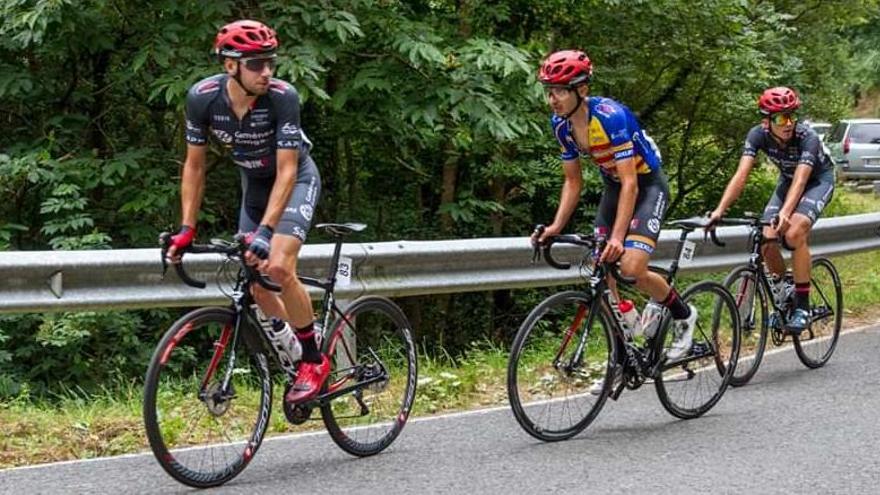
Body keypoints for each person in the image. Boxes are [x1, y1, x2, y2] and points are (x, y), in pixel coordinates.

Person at [166, 20, 328, 404]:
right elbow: (194, 166)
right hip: (254, 186)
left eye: (270, 62)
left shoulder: (282, 96)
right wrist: (187, 227)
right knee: (255, 281)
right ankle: (294, 340)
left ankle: (314, 358)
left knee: (277, 266)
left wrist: (268, 231)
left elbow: (287, 170)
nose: (266, 72)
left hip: (296, 179)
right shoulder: (202, 98)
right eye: (256, 64)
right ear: (230, 66)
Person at [532, 49, 697, 368]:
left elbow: (631, 184)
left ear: (581, 89)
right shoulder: (561, 125)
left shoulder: (611, 117)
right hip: (613, 188)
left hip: (647, 185)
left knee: (631, 268)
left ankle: (684, 315)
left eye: (560, 90)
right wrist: (555, 227)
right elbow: (573, 183)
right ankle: (623, 352)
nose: (553, 99)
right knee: (599, 268)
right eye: (548, 91)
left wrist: (618, 238)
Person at [708, 86, 834, 334]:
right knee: (766, 238)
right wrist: (719, 211)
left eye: (791, 116)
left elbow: (801, 180)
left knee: (793, 233)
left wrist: (786, 214)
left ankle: (803, 307)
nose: (788, 123)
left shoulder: (807, 136)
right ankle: (784, 290)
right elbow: (741, 174)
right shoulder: (757, 135)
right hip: (787, 182)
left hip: (818, 181)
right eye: (780, 118)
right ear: (767, 121)